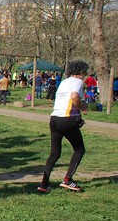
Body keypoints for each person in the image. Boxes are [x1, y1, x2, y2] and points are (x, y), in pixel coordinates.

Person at [38, 61, 89, 193]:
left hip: (54, 118)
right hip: (67, 119)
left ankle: (44, 183)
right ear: (81, 72)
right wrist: (81, 108)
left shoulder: (65, 81)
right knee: (79, 149)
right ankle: (68, 179)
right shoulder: (77, 82)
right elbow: (74, 96)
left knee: (54, 153)